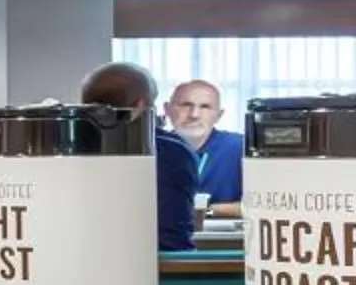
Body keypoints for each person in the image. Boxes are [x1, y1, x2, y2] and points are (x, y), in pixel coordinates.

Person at [80, 61, 197, 250]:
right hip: (154, 271)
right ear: (141, 105)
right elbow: (172, 237)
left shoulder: (65, 149)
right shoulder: (169, 152)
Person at [164, 78, 243, 215]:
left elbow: (263, 206)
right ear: (167, 110)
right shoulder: (152, 149)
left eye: (205, 107)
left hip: (227, 234)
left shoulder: (240, 147)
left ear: (219, 115)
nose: (194, 115)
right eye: (185, 105)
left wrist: (209, 210)